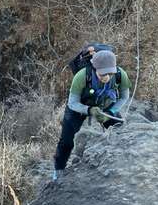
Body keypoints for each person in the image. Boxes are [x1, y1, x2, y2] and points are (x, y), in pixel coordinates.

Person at [53, 50, 131, 181]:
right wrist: (89, 110)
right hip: (80, 106)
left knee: (119, 129)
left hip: (105, 105)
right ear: (95, 69)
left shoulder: (120, 74)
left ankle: (118, 163)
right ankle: (58, 170)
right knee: (66, 140)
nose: (106, 77)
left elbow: (124, 97)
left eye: (110, 73)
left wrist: (110, 113)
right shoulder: (81, 76)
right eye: (102, 74)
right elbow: (72, 103)